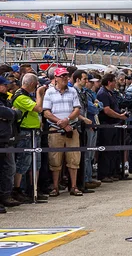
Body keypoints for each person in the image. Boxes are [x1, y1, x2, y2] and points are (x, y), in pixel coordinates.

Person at [42, 67, 82, 197]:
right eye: (62, 76)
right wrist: (60, 122)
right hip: (55, 130)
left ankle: (74, 186)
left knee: (74, 158)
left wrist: (67, 120)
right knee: (55, 159)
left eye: (66, 75)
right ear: (56, 78)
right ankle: (55, 187)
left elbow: (77, 109)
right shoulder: (49, 92)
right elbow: (46, 112)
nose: (65, 78)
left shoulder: (73, 91)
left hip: (71, 128)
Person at [11, 73, 49, 203]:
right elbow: (38, 108)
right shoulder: (20, 96)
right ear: (33, 84)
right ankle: (17, 189)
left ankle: (34, 190)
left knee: (35, 162)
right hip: (25, 133)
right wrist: (39, 93)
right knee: (23, 162)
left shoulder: (27, 96)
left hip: (34, 132)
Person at [96, 73, 128, 183]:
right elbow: (107, 110)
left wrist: (120, 114)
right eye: (114, 81)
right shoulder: (103, 93)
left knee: (114, 151)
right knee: (106, 150)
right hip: (106, 125)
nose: (115, 83)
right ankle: (104, 173)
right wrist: (119, 116)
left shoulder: (111, 93)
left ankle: (113, 171)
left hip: (114, 124)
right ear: (109, 82)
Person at [0, 76, 20, 211]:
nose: (7, 87)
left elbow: (14, 114)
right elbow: (7, 113)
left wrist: (11, 113)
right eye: (4, 85)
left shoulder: (5, 99)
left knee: (8, 170)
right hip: (1, 140)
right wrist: (11, 113)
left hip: (6, 140)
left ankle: (5, 196)